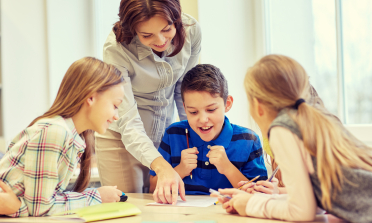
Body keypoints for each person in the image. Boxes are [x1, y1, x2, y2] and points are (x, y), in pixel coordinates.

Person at [213, 54, 372, 222]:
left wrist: (251, 205)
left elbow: (302, 212)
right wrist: (256, 200)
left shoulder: (282, 128)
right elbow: (311, 201)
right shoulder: (320, 120)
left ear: (258, 106)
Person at [96, 0, 201, 204]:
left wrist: (196, 136)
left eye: (166, 29)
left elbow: (184, 91)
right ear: (132, 29)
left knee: (164, 208)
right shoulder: (116, 49)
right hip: (121, 139)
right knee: (128, 207)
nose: (161, 40)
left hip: (164, 135)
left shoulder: (192, 31)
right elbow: (128, 121)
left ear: (176, 18)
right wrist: (161, 166)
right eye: (147, 35)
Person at [0, 57, 125, 216]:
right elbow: (41, 208)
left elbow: (40, 204)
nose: (116, 116)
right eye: (115, 105)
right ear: (91, 97)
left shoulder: (71, 137)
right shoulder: (54, 132)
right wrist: (96, 196)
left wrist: (17, 207)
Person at [148, 64, 267, 195]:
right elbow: (153, 188)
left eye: (211, 110)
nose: (203, 119)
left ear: (227, 104)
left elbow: (260, 195)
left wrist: (228, 168)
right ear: (185, 108)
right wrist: (181, 170)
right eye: (193, 112)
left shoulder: (249, 140)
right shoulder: (173, 134)